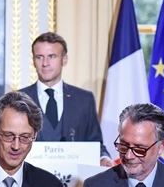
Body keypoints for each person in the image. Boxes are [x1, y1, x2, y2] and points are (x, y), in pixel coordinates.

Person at [20, 32, 112, 166]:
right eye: (39, 57)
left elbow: (95, 144)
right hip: (30, 182)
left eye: (52, 57)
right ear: (33, 61)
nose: (45, 63)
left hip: (74, 183)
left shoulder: (84, 100)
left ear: (64, 60)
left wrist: (103, 158)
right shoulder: (18, 100)